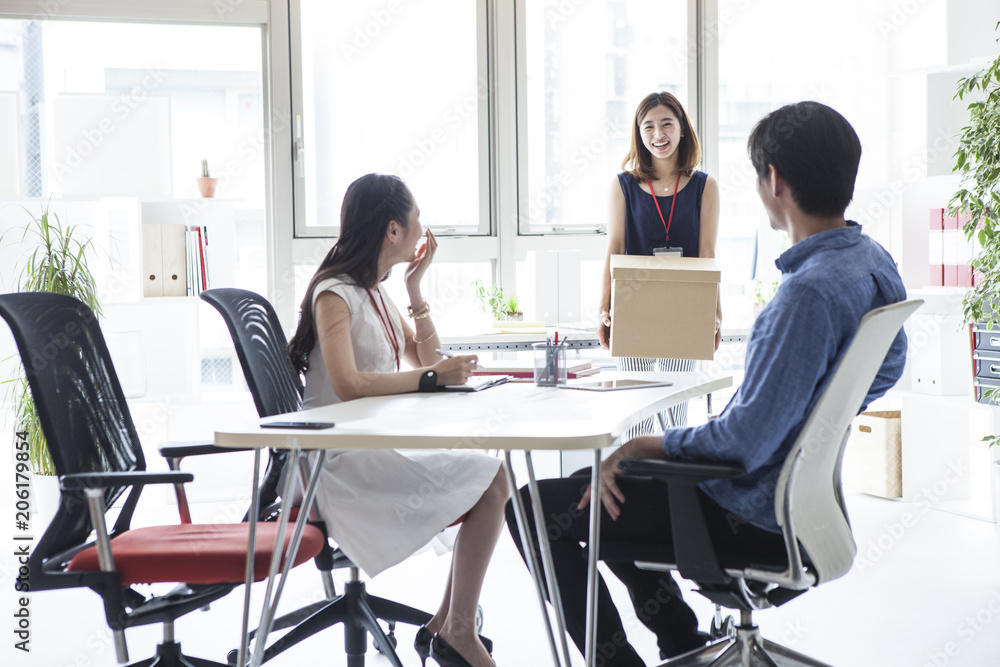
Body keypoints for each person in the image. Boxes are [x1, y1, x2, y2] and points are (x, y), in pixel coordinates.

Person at [507, 101, 908, 666]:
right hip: (800, 505)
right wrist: (818, 417)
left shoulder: (805, 296)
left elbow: (744, 443)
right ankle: (679, 639)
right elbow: (889, 364)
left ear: (775, 181)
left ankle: (620, 661)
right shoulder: (870, 262)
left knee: (532, 508)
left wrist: (642, 445)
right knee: (598, 486)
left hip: (748, 514)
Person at [287, 173, 507, 667]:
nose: (421, 227)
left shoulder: (377, 292)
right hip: (335, 465)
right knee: (492, 479)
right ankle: (455, 631)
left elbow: (423, 355)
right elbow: (350, 384)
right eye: (416, 219)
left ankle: (448, 627)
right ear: (393, 230)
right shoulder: (335, 292)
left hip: (367, 448)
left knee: (492, 476)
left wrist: (415, 286)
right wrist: (431, 379)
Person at [598, 91, 722, 430]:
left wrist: (716, 312)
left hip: (686, 307)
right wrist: (604, 308)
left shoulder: (704, 186)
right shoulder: (623, 185)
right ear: (639, 134)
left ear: (682, 128)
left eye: (667, 124)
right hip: (632, 306)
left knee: (675, 411)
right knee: (634, 409)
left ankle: (669, 483)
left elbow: (707, 253)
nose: (658, 134)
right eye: (648, 126)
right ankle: (635, 481)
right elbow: (615, 247)